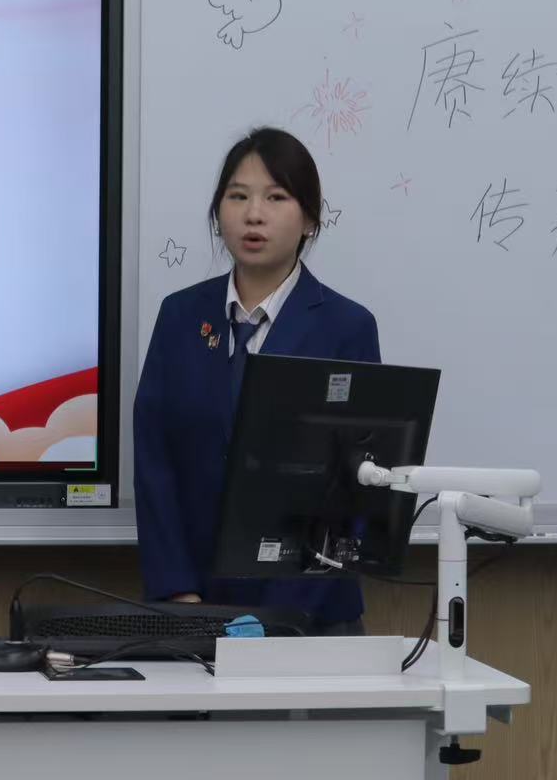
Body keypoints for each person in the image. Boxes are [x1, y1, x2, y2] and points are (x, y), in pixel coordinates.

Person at [133, 127, 381, 636]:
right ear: (218, 211)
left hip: (311, 616)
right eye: (238, 196)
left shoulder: (346, 327)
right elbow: (155, 463)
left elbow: (354, 486)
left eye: (276, 197)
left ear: (309, 218)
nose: (253, 214)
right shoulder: (180, 316)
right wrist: (180, 593)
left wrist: (281, 614)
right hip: (196, 609)